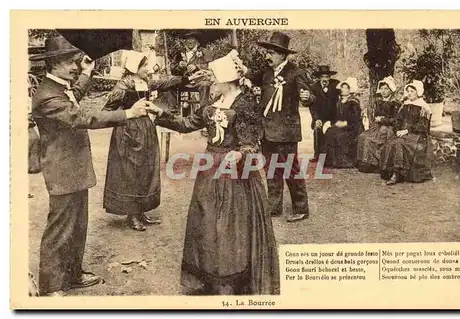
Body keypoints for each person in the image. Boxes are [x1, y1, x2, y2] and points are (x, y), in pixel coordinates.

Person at [147, 50, 280, 295]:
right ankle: (209, 276)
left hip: (235, 174)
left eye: (214, 80)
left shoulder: (244, 104)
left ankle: (229, 279)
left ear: (227, 81)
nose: (210, 85)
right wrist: (159, 114)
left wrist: (241, 154)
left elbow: (251, 142)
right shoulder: (212, 105)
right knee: (206, 219)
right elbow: (188, 124)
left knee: (229, 225)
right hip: (210, 168)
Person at [30, 36, 148, 296]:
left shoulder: (60, 86)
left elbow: (77, 94)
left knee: (77, 226)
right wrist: (127, 114)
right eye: (68, 62)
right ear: (53, 64)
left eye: (75, 60)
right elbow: (82, 117)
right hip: (63, 171)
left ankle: (72, 275)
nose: (74, 66)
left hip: (74, 169)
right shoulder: (48, 96)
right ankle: (51, 286)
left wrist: (88, 72)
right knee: (60, 228)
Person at [102, 51, 207, 231]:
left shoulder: (147, 82)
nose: (148, 69)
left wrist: (188, 78)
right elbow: (106, 111)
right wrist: (126, 116)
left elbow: (166, 82)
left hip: (145, 129)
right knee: (131, 172)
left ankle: (141, 211)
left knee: (145, 169)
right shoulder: (123, 85)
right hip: (127, 133)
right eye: (144, 66)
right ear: (134, 68)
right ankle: (132, 214)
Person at [248, 31, 314, 223]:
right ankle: (273, 206)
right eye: (267, 52)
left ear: (282, 55)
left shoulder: (296, 72)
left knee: (290, 170)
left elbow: (310, 95)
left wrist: (307, 98)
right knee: (271, 169)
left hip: (286, 132)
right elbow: (249, 78)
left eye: (271, 53)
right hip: (267, 130)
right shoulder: (266, 72)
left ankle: (301, 208)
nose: (267, 56)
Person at [380, 80, 433, 185]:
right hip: (404, 133)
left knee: (399, 144)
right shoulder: (405, 104)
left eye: (412, 91)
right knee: (391, 142)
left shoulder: (423, 106)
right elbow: (398, 120)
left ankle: (397, 174)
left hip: (418, 135)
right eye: (408, 91)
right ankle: (392, 172)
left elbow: (423, 126)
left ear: (418, 92)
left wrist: (407, 130)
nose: (409, 93)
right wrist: (398, 129)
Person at [357, 76, 399, 172]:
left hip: (389, 128)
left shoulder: (395, 103)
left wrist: (383, 119)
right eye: (382, 89)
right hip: (378, 127)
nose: (383, 91)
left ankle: (375, 164)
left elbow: (396, 120)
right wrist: (377, 119)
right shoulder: (379, 102)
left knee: (371, 139)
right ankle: (365, 162)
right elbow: (376, 116)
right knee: (363, 136)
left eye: (386, 89)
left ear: (391, 90)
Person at [166, 30, 213, 113]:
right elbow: (172, 69)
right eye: (187, 39)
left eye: (192, 39)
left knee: (205, 84)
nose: (190, 41)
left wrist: (197, 67)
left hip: (199, 81)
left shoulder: (204, 52)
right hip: (184, 81)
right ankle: (172, 113)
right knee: (171, 83)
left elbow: (210, 66)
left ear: (197, 41)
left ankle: (203, 113)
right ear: (185, 41)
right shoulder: (179, 53)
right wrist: (179, 66)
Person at [323, 77, 363, 168]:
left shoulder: (353, 102)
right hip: (341, 125)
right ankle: (331, 161)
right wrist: (334, 122)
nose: (343, 89)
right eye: (342, 87)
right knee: (329, 131)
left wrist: (345, 124)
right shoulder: (339, 101)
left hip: (353, 127)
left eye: (346, 88)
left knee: (338, 135)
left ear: (350, 90)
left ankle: (343, 162)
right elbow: (336, 116)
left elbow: (355, 118)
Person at [309, 65, 340, 162]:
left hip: (333, 117)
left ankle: (333, 157)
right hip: (320, 117)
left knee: (333, 132)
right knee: (317, 130)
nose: (324, 79)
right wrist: (316, 119)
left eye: (326, 77)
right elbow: (312, 106)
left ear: (330, 77)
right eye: (322, 77)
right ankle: (317, 155)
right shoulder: (314, 87)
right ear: (319, 78)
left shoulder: (336, 85)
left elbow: (344, 96)